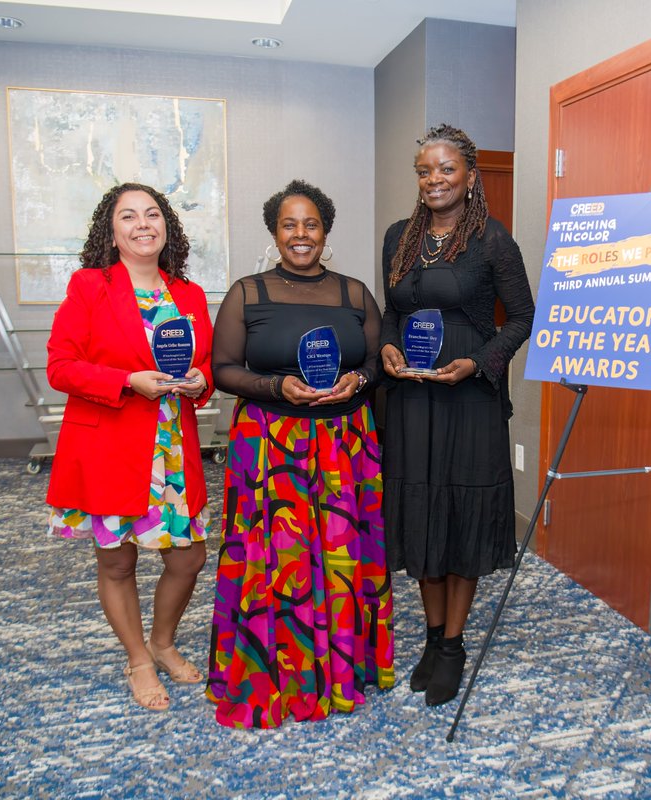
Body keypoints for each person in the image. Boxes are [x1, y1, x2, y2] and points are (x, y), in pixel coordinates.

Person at [207, 179, 394, 729]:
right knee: (276, 562)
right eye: (289, 224)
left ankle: (342, 671)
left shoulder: (354, 293)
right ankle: (277, 676)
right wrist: (276, 387)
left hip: (345, 444)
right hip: (269, 445)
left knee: (341, 559)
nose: (300, 234)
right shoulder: (248, 292)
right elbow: (224, 369)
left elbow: (381, 361)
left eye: (310, 223)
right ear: (274, 231)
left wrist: (358, 378)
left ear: (326, 230)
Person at [380, 124, 535, 707]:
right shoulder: (399, 237)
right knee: (422, 507)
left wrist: (479, 361)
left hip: (468, 396)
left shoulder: (493, 241)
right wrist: (389, 347)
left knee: (461, 507)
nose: (434, 180)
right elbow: (392, 310)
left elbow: (522, 317)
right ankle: (429, 635)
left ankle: (453, 644)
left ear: (470, 176)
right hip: (413, 397)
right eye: (425, 170)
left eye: (447, 169)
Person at [46, 182, 214, 712]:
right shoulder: (89, 286)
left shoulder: (187, 294)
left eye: (152, 214)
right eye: (128, 216)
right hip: (110, 447)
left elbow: (205, 367)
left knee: (189, 559)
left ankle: (163, 641)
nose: (143, 224)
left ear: (167, 226)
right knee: (117, 563)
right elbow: (61, 366)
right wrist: (126, 381)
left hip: (170, 450)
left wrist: (197, 383)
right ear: (111, 231)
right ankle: (138, 656)